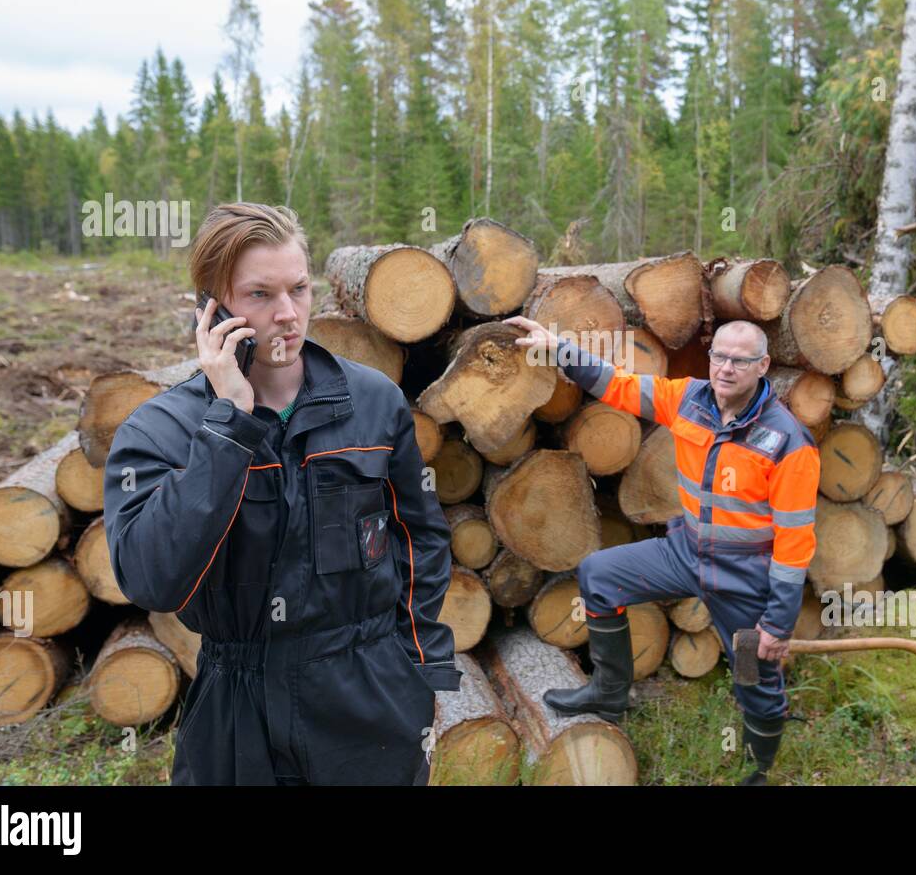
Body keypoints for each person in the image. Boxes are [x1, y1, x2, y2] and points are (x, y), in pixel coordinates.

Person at [103, 202, 460, 785]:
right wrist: (229, 426)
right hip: (238, 702)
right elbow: (151, 578)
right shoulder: (160, 431)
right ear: (210, 309)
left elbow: (420, 538)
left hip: (368, 693)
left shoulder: (373, 402)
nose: (288, 315)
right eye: (260, 295)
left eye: (299, 289)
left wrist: (417, 669)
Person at [503, 315, 819, 785]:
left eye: (740, 360)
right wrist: (558, 347)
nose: (725, 368)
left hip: (746, 581)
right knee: (599, 575)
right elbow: (619, 386)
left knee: (755, 677)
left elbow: (795, 546)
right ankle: (608, 693)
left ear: (763, 366)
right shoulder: (688, 399)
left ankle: (759, 767)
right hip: (686, 554)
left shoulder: (788, 443)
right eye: (719, 357)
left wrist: (776, 623)